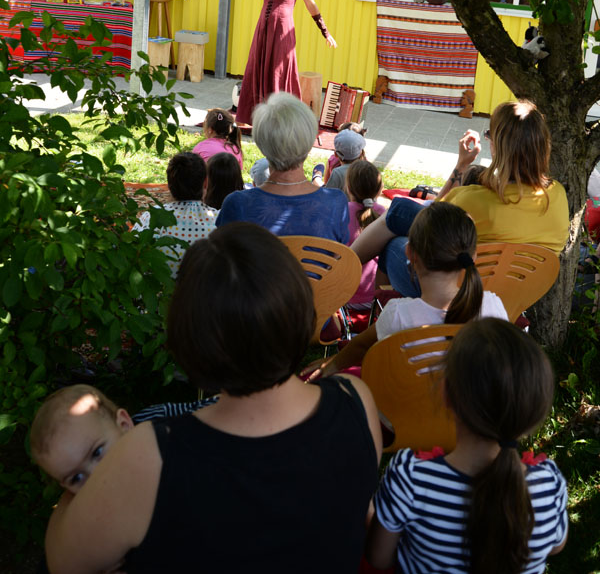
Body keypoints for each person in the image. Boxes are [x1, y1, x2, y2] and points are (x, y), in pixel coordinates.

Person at [45, 223, 382, 574]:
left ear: (191, 340)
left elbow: (63, 562)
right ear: (301, 310)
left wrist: (84, 487)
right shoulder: (355, 398)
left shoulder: (150, 455)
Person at [365, 318, 568, 574]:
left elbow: (379, 558)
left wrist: (370, 509)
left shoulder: (410, 478)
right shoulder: (548, 484)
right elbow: (556, 546)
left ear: (447, 395)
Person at [352, 100, 570, 297]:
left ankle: (342, 273)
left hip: (457, 295)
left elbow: (426, 225)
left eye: (489, 135)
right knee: (400, 211)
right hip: (515, 297)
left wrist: (461, 165)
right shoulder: (558, 196)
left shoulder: (474, 201)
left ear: (498, 146)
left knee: (394, 234)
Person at [302, 202, 507, 381]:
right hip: (473, 418)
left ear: (409, 252)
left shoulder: (398, 315)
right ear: (474, 255)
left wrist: (331, 365)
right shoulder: (495, 306)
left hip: (402, 420)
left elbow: (359, 347)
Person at [217, 92, 350, 243]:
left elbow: (223, 260)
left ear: (262, 145)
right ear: (308, 144)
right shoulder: (336, 202)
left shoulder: (237, 205)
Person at [234, 0, 337, 125]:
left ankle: (281, 120)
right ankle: (256, 118)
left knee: (278, 72)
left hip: (282, 33)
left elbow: (311, 4)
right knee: (257, 68)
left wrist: (325, 31)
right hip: (262, 31)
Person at [30, 385, 212, 495]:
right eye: (76, 478)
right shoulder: (96, 519)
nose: (95, 477)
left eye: (97, 452)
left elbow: (208, 411)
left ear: (124, 424)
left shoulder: (156, 422)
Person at [133, 151, 218, 276]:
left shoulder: (152, 216)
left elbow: (131, 253)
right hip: (202, 293)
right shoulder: (218, 220)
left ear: (169, 184)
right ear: (205, 182)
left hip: (158, 291)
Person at [345, 160, 386, 309]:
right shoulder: (385, 214)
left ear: (348, 188)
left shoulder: (340, 212)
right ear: (380, 189)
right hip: (377, 298)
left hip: (344, 298)